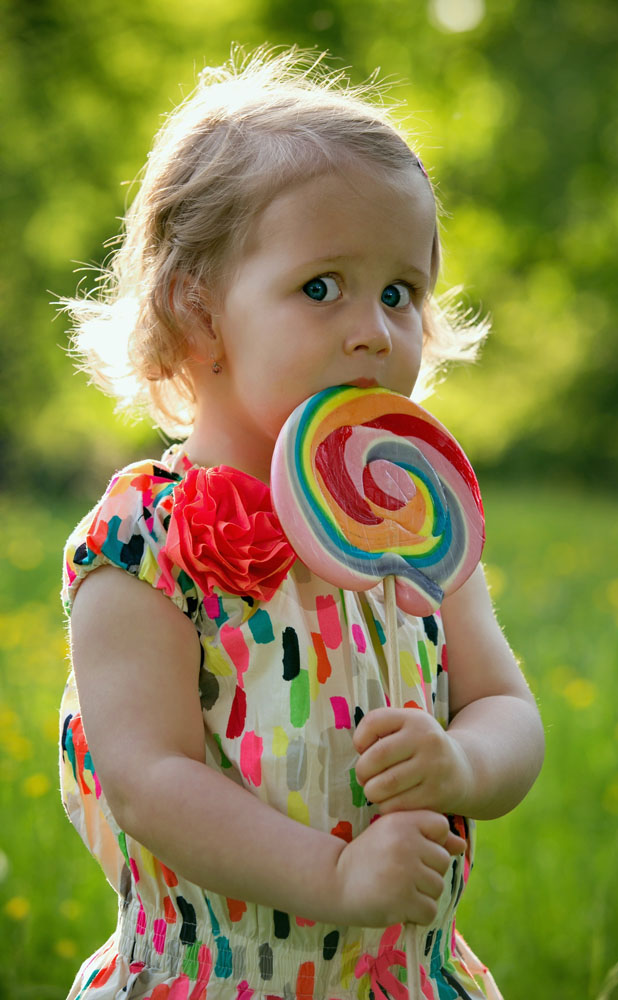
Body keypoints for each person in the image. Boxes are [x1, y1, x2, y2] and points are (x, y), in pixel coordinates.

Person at [58, 46, 544, 1000]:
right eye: (323, 287)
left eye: (399, 292)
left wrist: (461, 761)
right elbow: (149, 777)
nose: (374, 328)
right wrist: (334, 877)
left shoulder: (415, 522)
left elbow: (508, 711)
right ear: (195, 314)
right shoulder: (144, 543)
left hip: (400, 976)